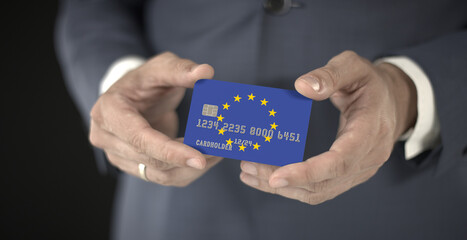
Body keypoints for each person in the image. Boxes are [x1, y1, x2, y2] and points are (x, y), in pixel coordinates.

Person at [56, 0, 467, 239]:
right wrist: (118, 80)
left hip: (399, 204)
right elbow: (94, 8)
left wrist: (409, 89)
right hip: (172, 207)